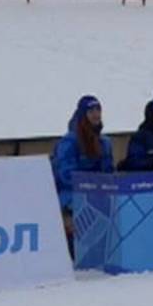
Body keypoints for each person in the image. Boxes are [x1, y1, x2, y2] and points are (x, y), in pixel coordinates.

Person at [50, 95, 112, 246]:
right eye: (91, 111)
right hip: (71, 194)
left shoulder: (104, 142)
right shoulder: (69, 142)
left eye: (98, 110)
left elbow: (109, 172)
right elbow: (65, 175)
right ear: (83, 115)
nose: (96, 114)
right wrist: (91, 184)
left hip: (98, 193)